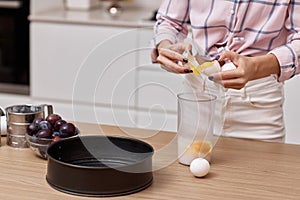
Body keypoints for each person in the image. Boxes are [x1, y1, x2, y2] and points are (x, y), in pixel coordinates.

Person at [151, 0, 300, 142]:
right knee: (188, 164)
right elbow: (169, 22)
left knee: (263, 168)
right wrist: (165, 46)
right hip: (197, 94)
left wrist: (256, 67)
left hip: (259, 100)